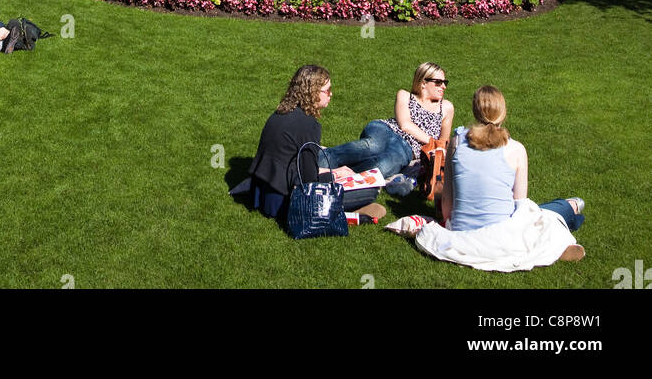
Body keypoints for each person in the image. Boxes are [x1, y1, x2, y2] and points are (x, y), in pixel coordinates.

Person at [406, 86, 585, 269]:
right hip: (500, 235)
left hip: (461, 230)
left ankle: (572, 210)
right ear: (503, 113)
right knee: (547, 215)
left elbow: (447, 199)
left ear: (475, 111)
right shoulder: (516, 149)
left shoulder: (456, 143)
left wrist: (449, 221)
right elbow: (520, 205)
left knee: (550, 212)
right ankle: (572, 209)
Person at [242, 65, 386, 226]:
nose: (331, 94)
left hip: (262, 192)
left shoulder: (282, 111)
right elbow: (308, 180)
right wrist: (335, 174)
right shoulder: (309, 125)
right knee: (371, 191)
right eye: (328, 90)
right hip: (286, 201)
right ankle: (343, 212)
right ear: (313, 92)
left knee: (331, 163)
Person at [322, 62, 454, 185]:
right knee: (370, 147)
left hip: (408, 149)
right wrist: (432, 141)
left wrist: (437, 148)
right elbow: (405, 125)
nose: (443, 86)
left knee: (382, 166)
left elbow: (443, 141)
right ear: (423, 82)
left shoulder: (447, 107)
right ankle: (313, 161)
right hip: (386, 130)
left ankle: (340, 178)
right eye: (438, 82)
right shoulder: (405, 95)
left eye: (445, 82)